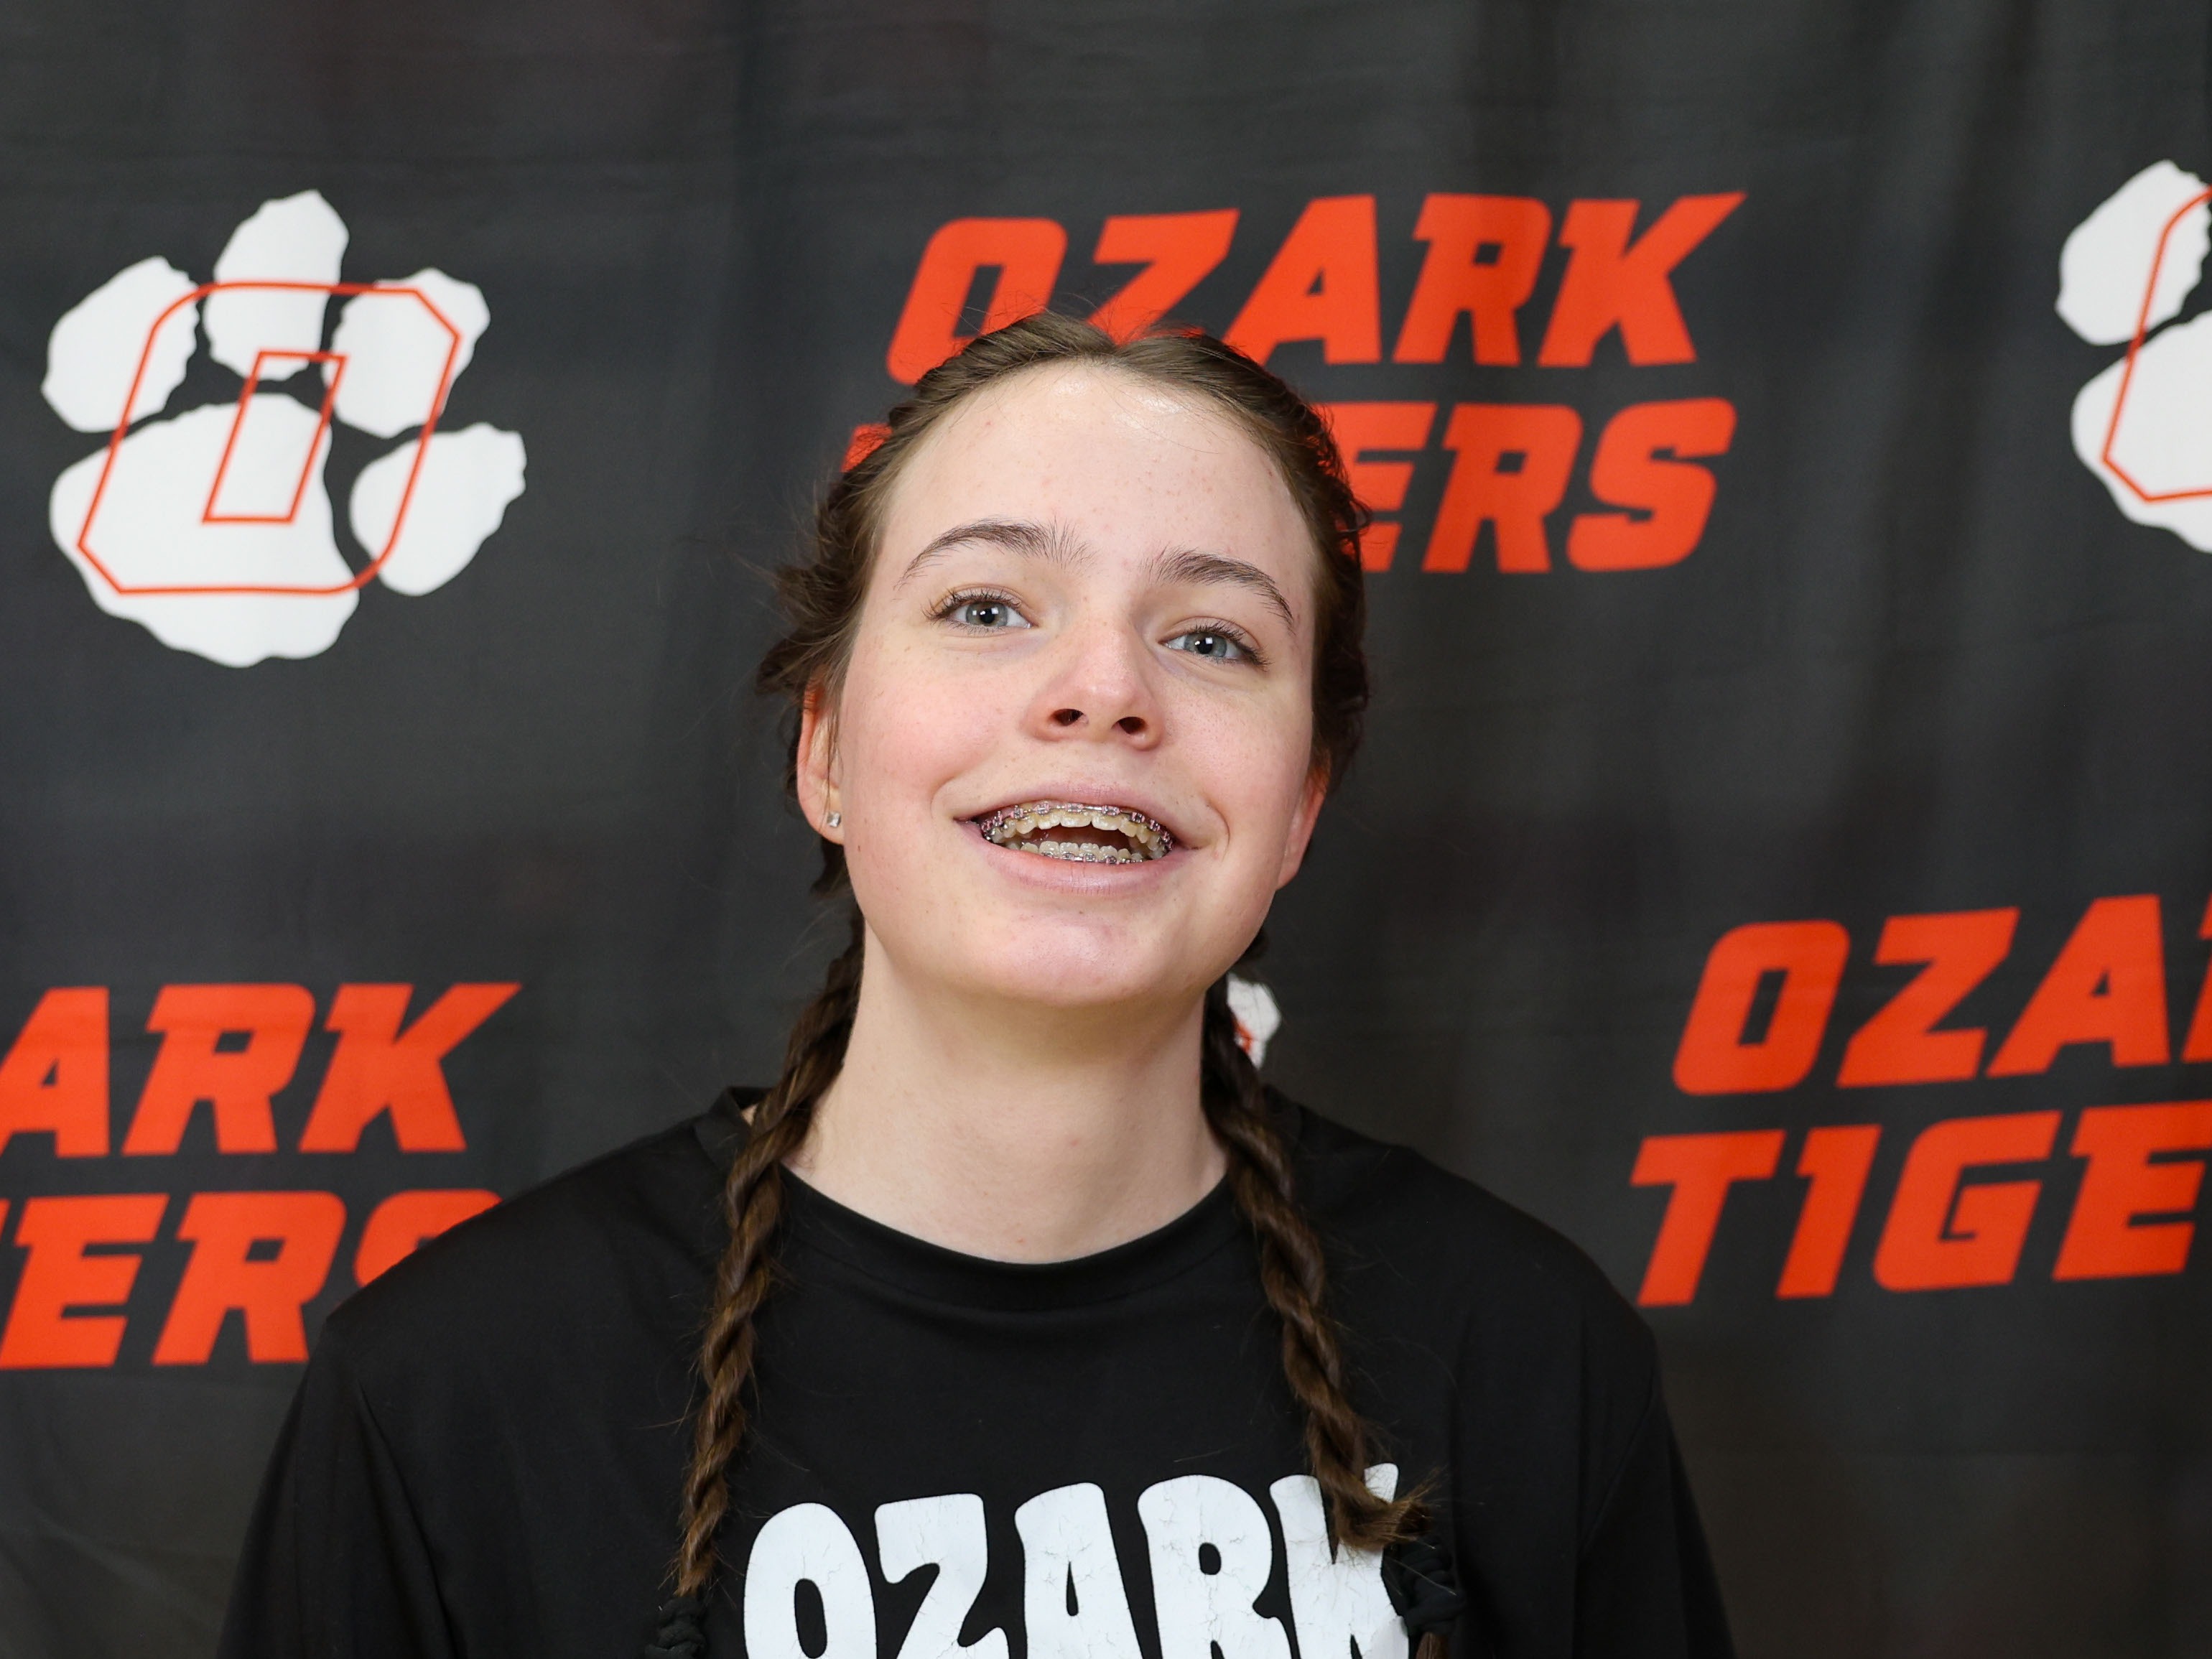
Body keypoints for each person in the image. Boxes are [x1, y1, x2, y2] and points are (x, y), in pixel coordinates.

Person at [219, 314, 1733, 1659]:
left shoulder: (1522, 1352)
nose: (1104, 690)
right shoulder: (455, 1391)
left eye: (1213, 637)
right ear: (825, 746)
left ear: (1300, 810)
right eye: (988, 607)